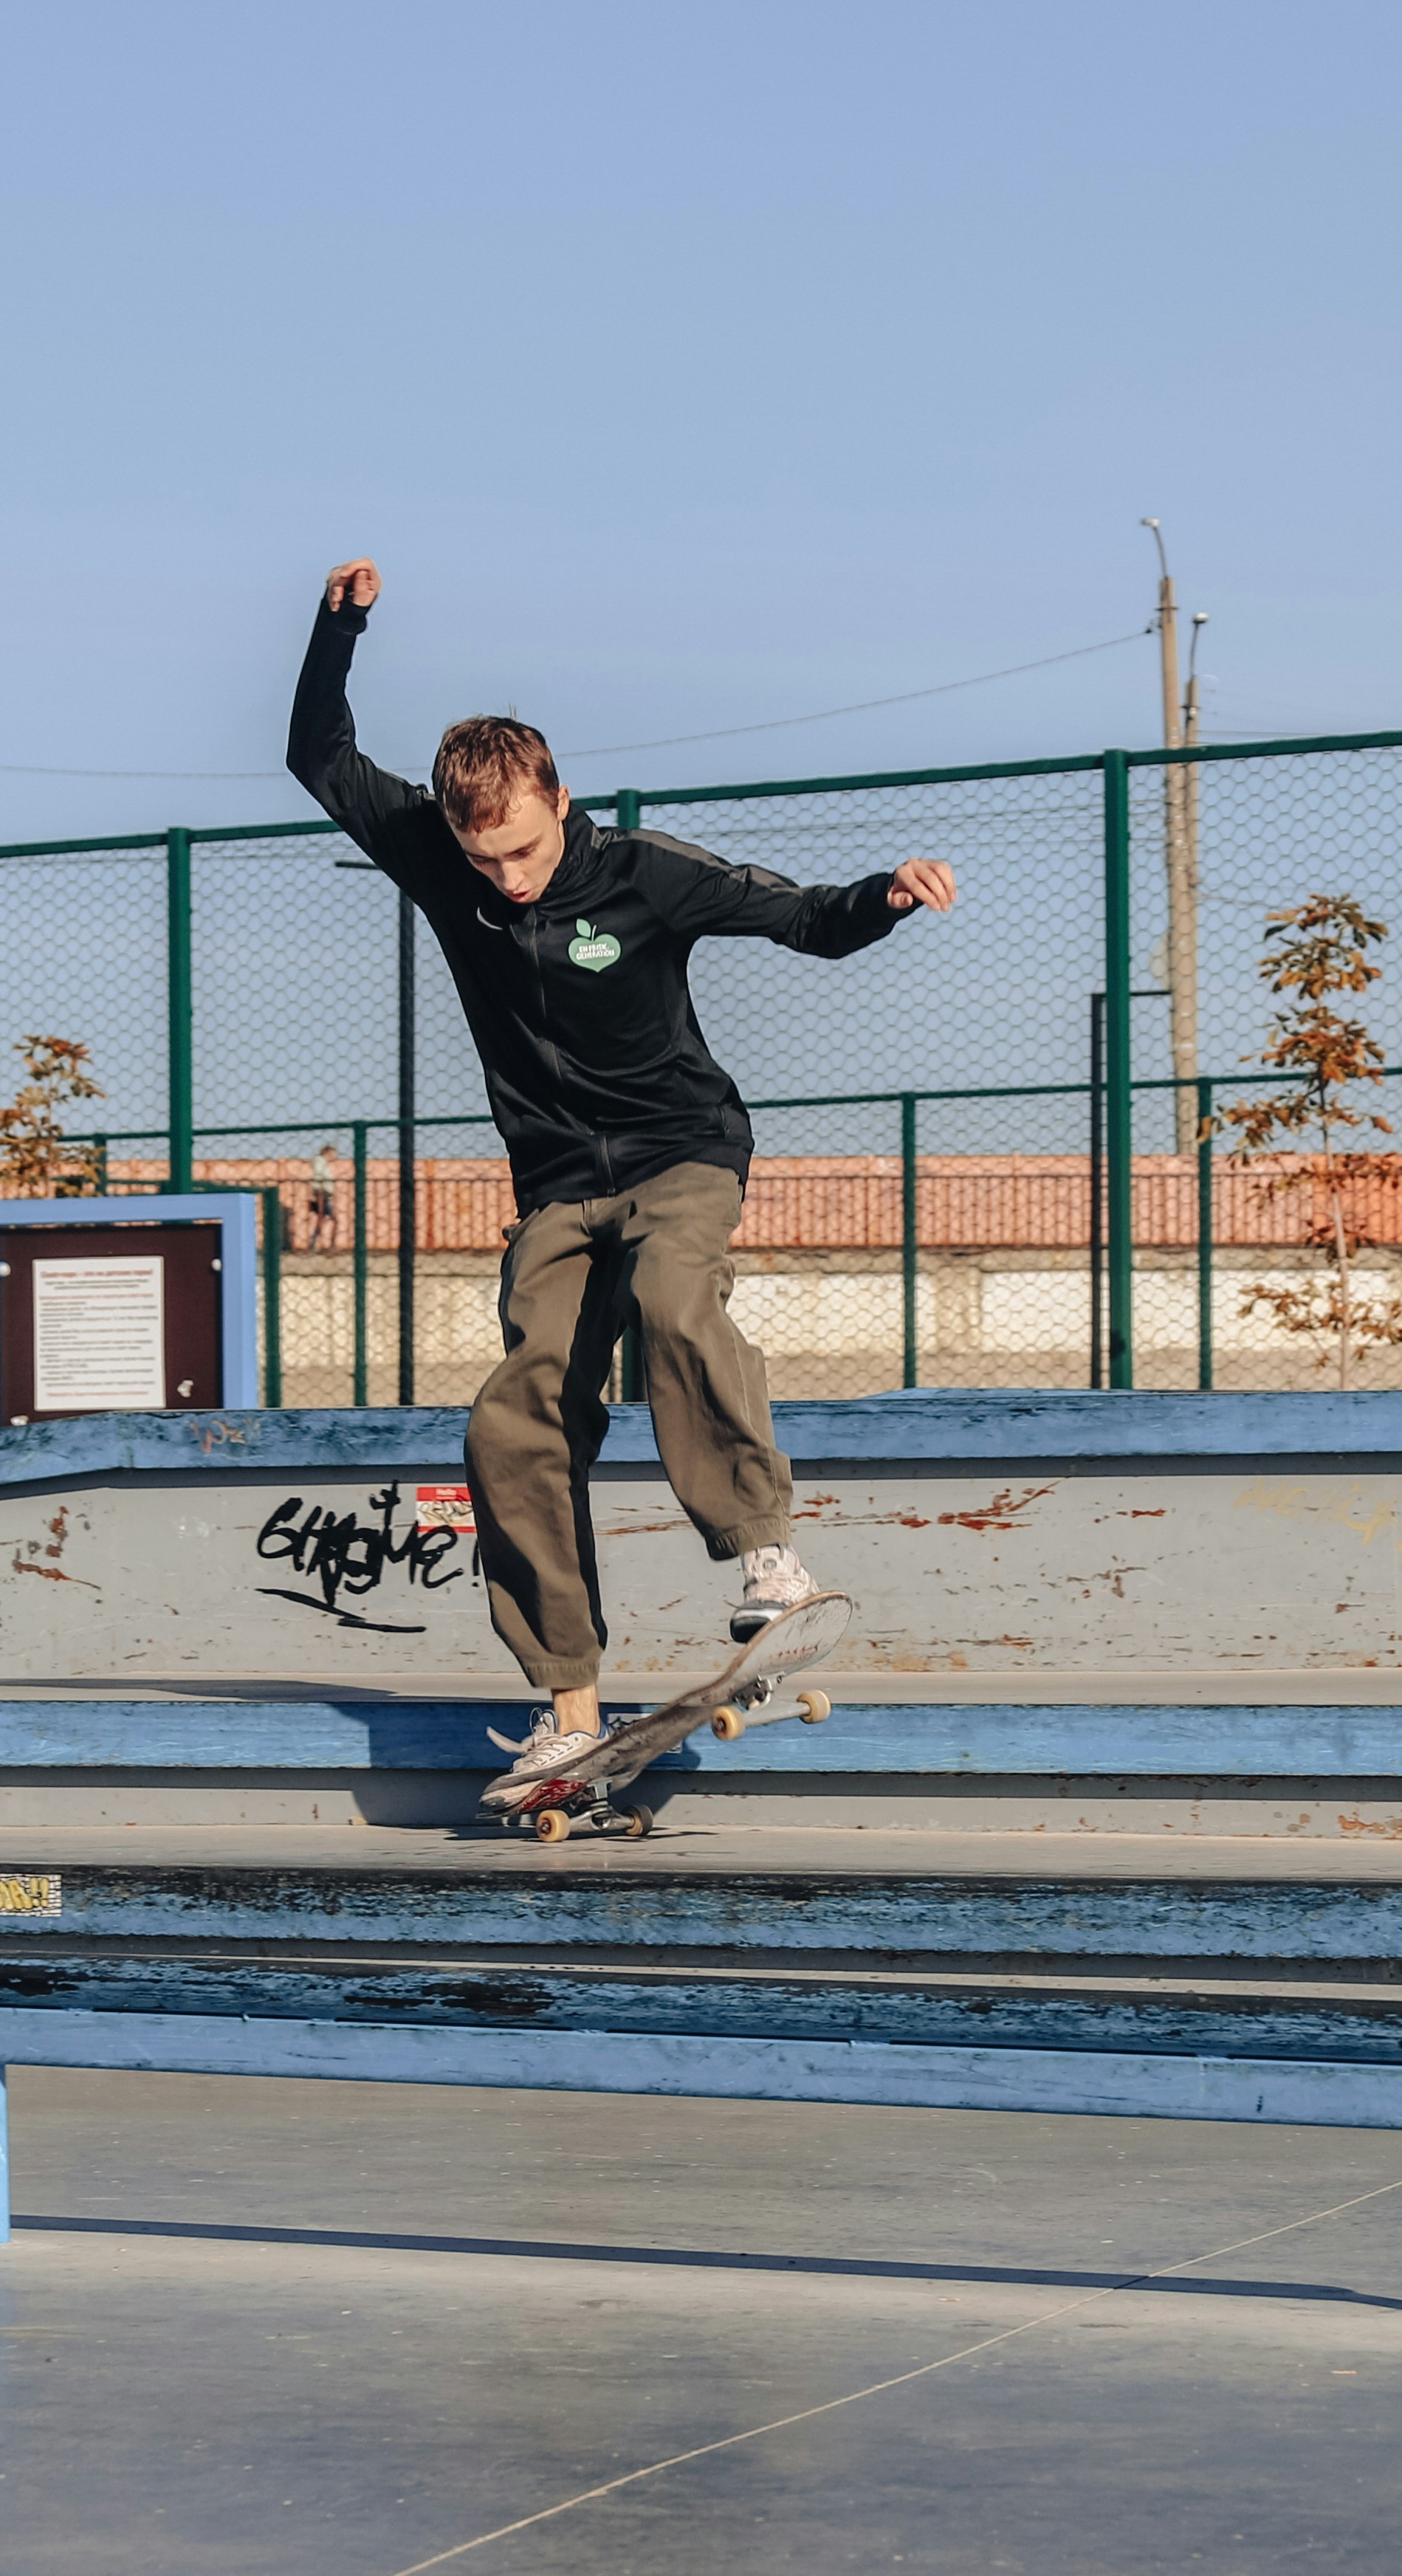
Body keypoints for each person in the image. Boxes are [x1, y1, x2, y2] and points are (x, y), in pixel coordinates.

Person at [287, 555, 960, 1805]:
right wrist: (342, 627)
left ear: (559, 800)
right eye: (485, 864)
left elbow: (808, 917)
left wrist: (888, 895)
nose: (510, 882)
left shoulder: (647, 872)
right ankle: (567, 1711)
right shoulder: (439, 857)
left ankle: (767, 1561)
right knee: (516, 1418)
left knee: (670, 1303)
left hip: (681, 1153)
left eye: (527, 853)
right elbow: (318, 756)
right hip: (553, 1188)